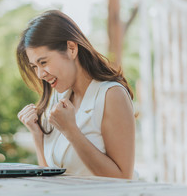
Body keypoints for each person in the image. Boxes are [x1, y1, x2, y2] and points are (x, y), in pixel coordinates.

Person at [16, 10, 135, 179]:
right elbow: (48, 177)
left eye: (43, 62)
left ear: (71, 49)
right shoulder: (58, 98)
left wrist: (71, 131)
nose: (40, 74)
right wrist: (37, 135)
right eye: (34, 66)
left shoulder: (111, 95)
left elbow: (123, 178)